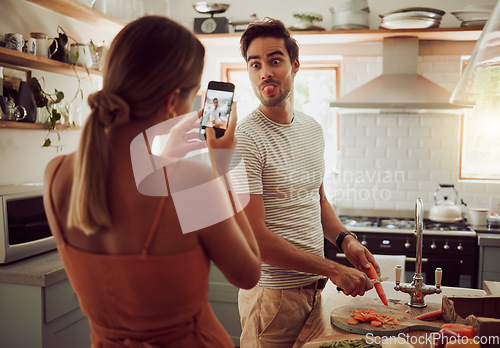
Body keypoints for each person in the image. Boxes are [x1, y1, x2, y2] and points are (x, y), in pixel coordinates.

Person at [43, 16, 260, 347]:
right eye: (194, 93)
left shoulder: (56, 173)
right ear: (172, 101)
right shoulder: (190, 181)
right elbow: (249, 274)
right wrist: (221, 164)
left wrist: (164, 160)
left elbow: (126, 202)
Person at [233, 18, 381, 347]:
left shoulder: (311, 129)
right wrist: (333, 269)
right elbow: (256, 238)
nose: (264, 72)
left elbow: (317, 201)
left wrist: (346, 242)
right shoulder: (245, 138)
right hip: (272, 298)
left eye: (274, 61)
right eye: (254, 64)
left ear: (295, 65)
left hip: (315, 293)